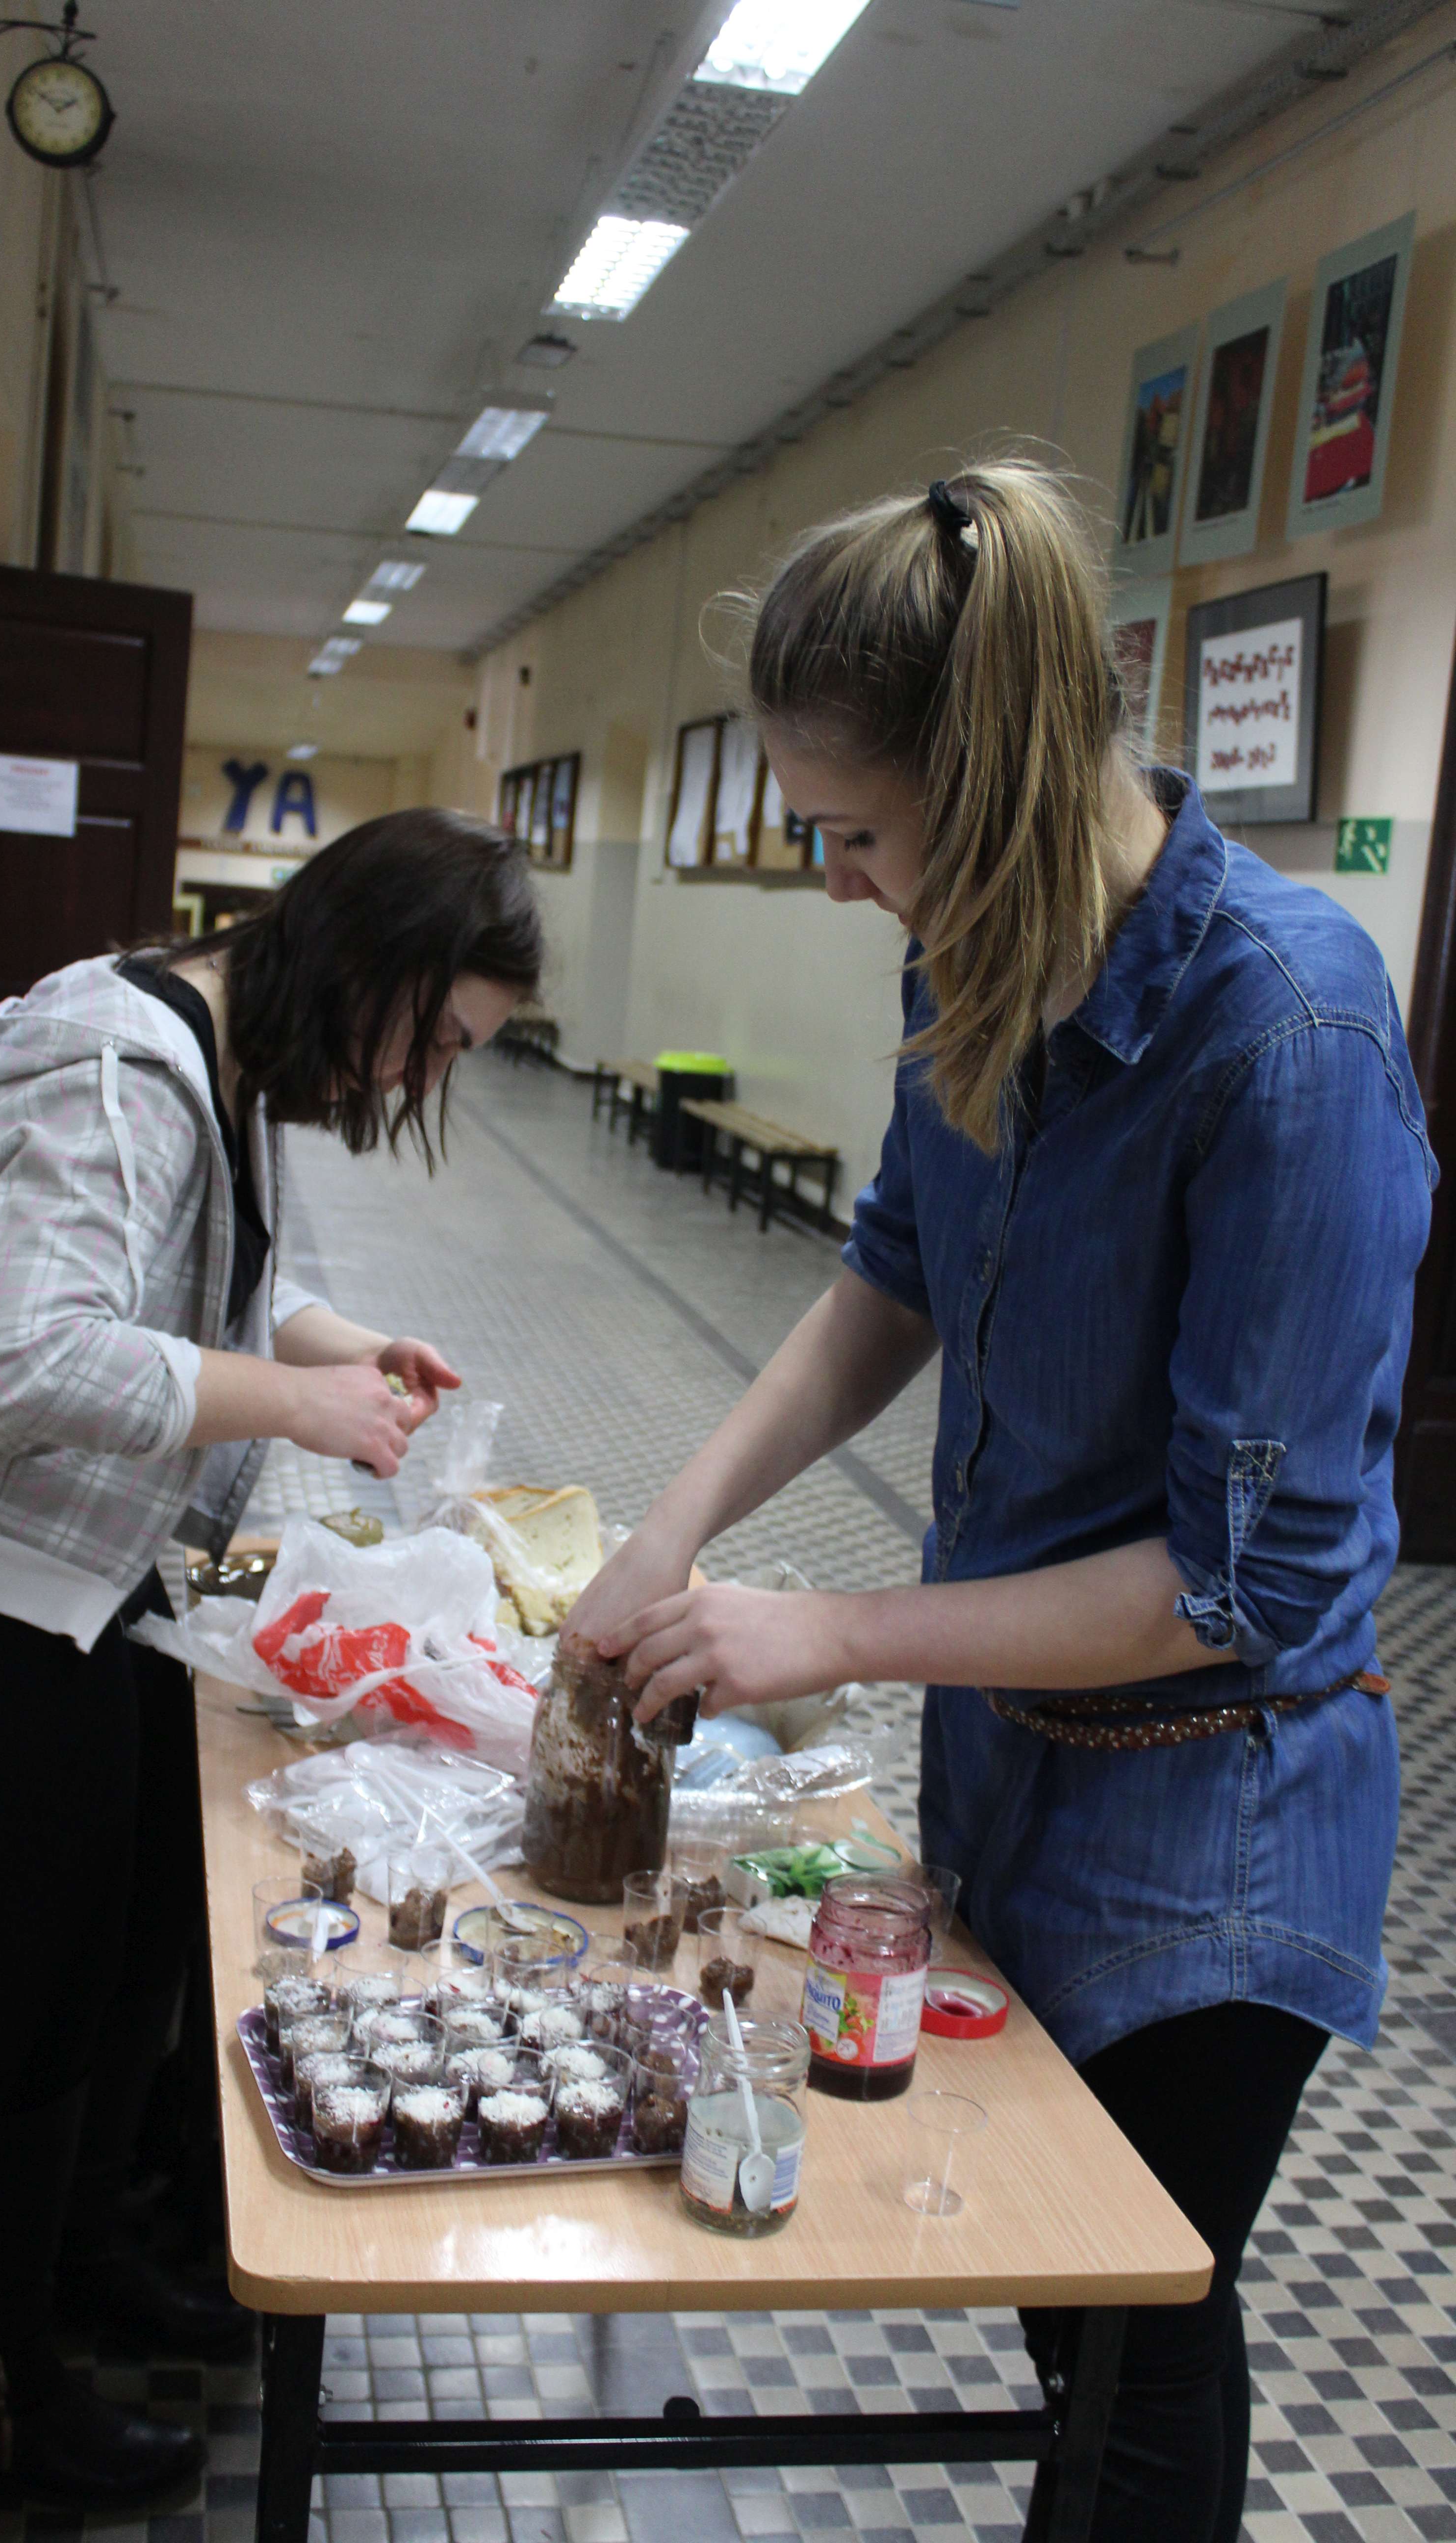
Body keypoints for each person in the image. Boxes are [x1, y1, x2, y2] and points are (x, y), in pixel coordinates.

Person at [565, 461, 1433, 2543]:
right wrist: (672, 1531)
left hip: (1211, 1819)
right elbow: (890, 1270)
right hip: (1019, 1763)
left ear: (1005, 774)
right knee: (1076, 2333)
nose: (843, 882)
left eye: (857, 834)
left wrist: (840, 1627)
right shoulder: (979, 958)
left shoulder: (1285, 1034)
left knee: (1135, 2348)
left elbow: (1237, 1585)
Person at [0, 809, 541, 2506]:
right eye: (437, 1037)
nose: (421, 1076)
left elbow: (227, 1286)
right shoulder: (117, 1069)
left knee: (148, 1932)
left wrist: (347, 1350)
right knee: (49, 1992)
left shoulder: (223, 1056)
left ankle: (82, 2256)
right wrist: (300, 1404)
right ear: (373, 958)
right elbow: (31, 1357)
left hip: (87, 1582)